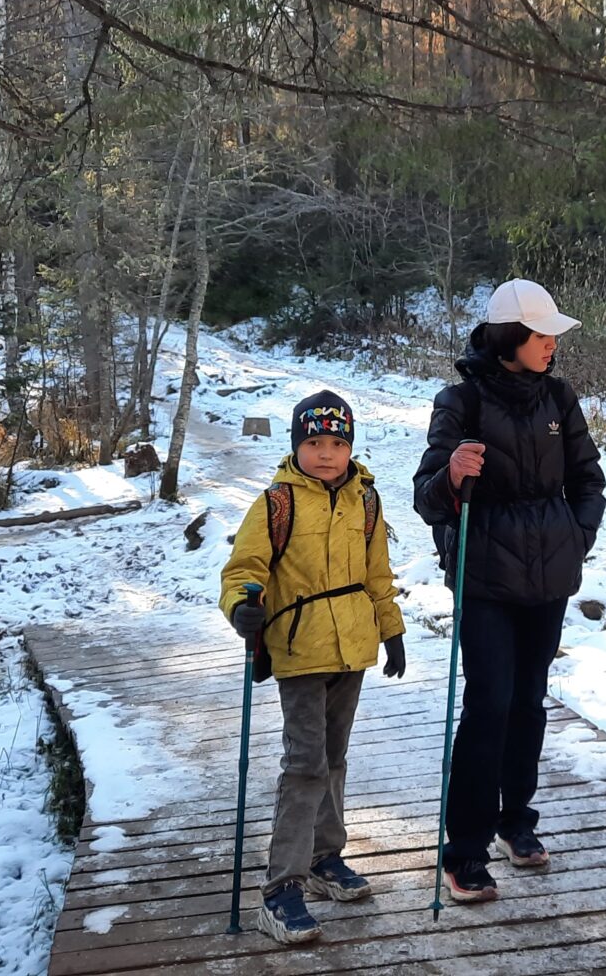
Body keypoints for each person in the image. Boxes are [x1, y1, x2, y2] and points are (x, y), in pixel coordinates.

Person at [412, 279, 606, 903]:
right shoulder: (460, 401)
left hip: (549, 573)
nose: (552, 345)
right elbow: (426, 495)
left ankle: (515, 822)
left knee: (529, 702)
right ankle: (464, 849)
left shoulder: (558, 397)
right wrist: (451, 476)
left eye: (552, 335)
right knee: (489, 704)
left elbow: (588, 478)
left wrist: (576, 537)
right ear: (511, 338)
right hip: (487, 575)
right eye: (542, 335)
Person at [219, 390, 408, 945]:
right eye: (314, 442)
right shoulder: (277, 503)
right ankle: (281, 889)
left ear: (350, 446)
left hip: (351, 647)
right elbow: (243, 568)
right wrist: (242, 608)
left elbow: (378, 574)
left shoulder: (366, 501)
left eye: (337, 443)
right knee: (304, 764)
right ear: (296, 445)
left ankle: (327, 858)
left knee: (334, 758)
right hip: (299, 651)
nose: (326, 453)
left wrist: (391, 629)